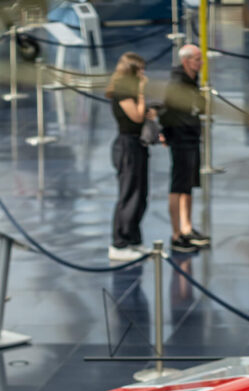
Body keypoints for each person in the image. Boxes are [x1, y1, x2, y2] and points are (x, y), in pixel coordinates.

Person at [160, 43, 210, 253]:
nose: (201, 63)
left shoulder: (191, 79)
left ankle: (187, 227)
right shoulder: (177, 82)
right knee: (178, 185)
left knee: (188, 185)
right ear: (186, 61)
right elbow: (167, 111)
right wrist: (166, 133)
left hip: (191, 136)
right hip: (180, 139)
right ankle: (176, 234)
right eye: (197, 59)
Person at [106, 52, 153, 262]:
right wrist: (142, 94)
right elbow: (136, 116)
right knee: (129, 195)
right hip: (126, 146)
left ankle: (134, 238)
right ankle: (119, 242)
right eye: (140, 70)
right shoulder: (123, 91)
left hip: (137, 144)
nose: (143, 74)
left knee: (141, 194)